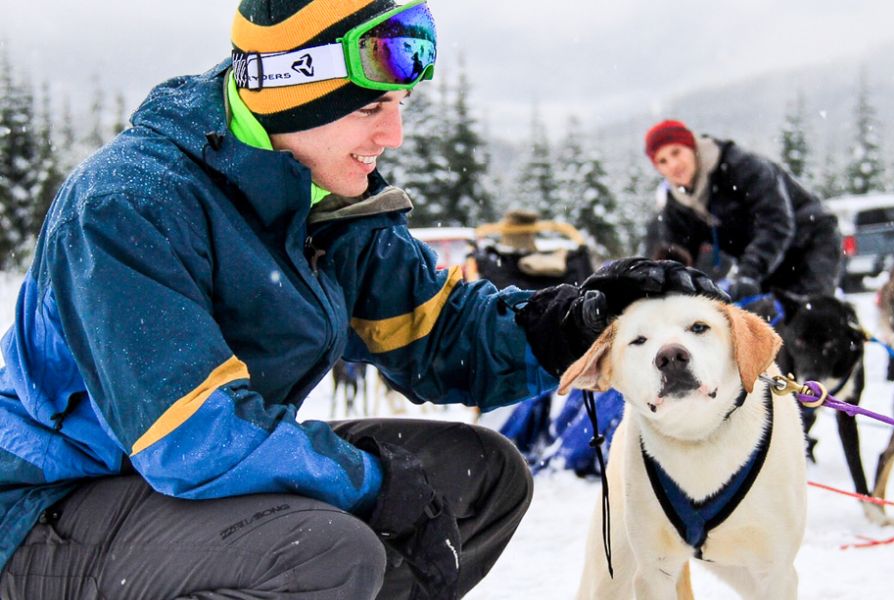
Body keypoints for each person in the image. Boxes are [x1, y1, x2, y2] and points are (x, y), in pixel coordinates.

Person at [0, 2, 726, 598]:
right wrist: (375, 481)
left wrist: (575, 320)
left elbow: (436, 333)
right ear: (293, 85)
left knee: (482, 476)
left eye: (401, 103)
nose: (394, 132)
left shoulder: (325, 197)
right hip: (52, 511)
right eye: (373, 106)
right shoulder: (130, 205)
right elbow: (191, 437)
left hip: (180, 496)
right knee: (322, 553)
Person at [644, 119, 842, 300]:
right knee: (770, 329)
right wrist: (665, 288)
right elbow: (676, 256)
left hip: (810, 240)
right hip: (767, 261)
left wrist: (749, 273)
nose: (673, 165)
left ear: (692, 147)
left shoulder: (740, 167)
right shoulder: (677, 205)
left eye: (676, 152)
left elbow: (776, 222)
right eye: (662, 161)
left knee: (811, 318)